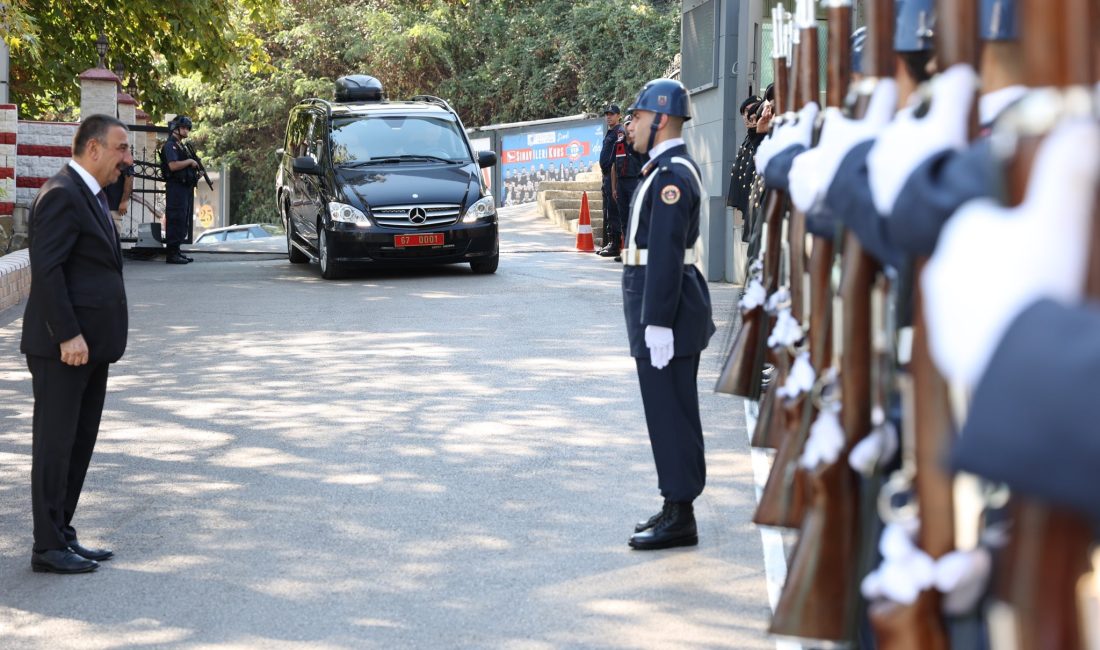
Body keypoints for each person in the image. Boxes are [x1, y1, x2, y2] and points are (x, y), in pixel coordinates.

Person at [20, 114, 133, 574]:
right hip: (63, 348)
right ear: (93, 149)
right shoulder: (62, 195)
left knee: (78, 443)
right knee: (55, 445)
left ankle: (63, 532)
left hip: (91, 348)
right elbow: (46, 271)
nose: (127, 159)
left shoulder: (90, 194)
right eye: (121, 149)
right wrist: (67, 333)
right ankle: (47, 545)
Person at [620, 79, 716, 550]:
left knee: (671, 412)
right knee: (667, 411)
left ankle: (681, 513)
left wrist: (657, 320)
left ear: (660, 120)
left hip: (667, 310)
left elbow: (664, 253)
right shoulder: (661, 170)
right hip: (661, 306)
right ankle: (675, 501)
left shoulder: (671, 177)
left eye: (636, 117)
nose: (630, 125)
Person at [604, 112, 645, 259]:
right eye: (627, 126)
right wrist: (614, 188)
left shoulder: (640, 145)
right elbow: (614, 167)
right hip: (621, 184)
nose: (629, 129)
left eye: (631, 126)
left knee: (637, 218)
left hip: (635, 183)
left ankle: (637, 251)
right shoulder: (618, 144)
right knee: (624, 219)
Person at [161, 115, 199, 264]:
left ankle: (176, 251)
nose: (186, 130)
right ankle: (171, 254)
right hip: (175, 188)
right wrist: (190, 161)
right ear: (175, 129)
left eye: (187, 128)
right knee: (176, 218)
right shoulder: (170, 145)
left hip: (183, 187)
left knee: (182, 219)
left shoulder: (180, 146)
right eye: (183, 128)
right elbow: (173, 165)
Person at [598, 104, 624, 256]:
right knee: (608, 209)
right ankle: (610, 242)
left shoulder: (619, 131)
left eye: (612, 114)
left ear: (618, 115)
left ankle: (615, 245)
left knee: (613, 210)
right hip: (606, 175)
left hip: (612, 175)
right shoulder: (610, 132)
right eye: (607, 114)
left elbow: (617, 158)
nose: (608, 116)